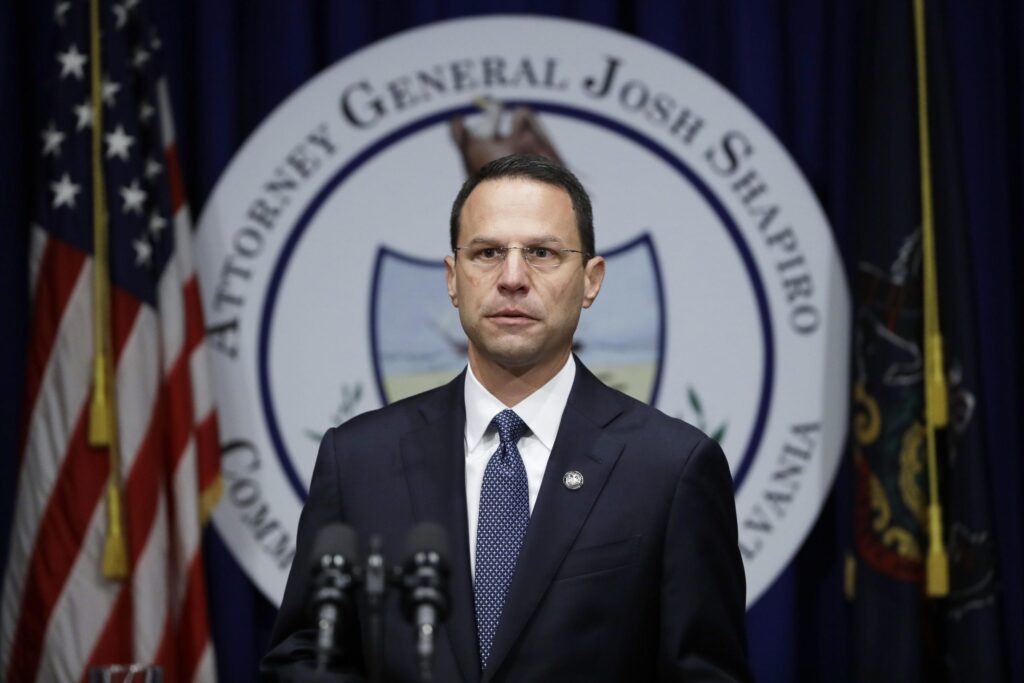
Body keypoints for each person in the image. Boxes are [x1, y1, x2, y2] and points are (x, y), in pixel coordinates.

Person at [262, 154, 751, 682]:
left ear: (591, 280)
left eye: (541, 253)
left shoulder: (671, 468)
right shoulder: (358, 460)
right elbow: (304, 658)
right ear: (453, 279)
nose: (512, 278)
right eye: (488, 252)